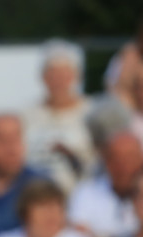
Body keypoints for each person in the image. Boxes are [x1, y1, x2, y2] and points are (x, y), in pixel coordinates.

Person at [23, 39, 95, 193]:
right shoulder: (26, 115)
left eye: (64, 75)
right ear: (43, 77)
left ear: (76, 77)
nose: (58, 81)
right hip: (33, 194)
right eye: (53, 74)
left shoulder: (92, 112)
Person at [68, 131, 143, 237]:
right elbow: (78, 234)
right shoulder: (87, 191)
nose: (124, 165)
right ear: (106, 162)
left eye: (130, 157)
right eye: (116, 158)